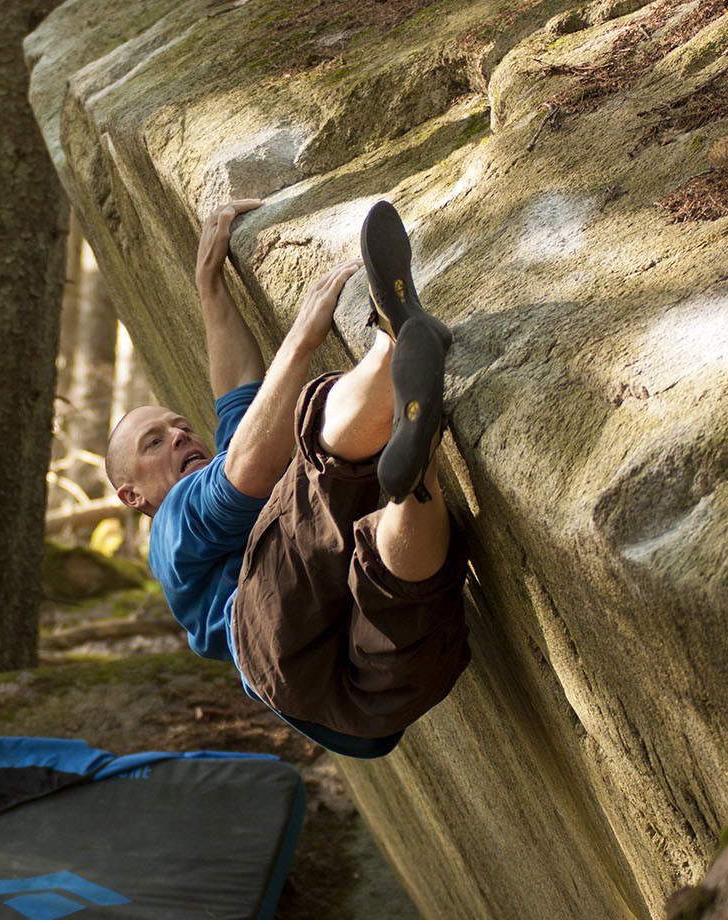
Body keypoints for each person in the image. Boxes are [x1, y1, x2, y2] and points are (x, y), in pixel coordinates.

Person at [105, 198, 470, 758]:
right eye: (154, 442)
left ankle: (417, 473)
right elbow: (245, 470)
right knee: (318, 453)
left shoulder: (216, 474)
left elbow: (240, 397)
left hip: (354, 716)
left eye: (180, 426)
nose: (178, 436)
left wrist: (210, 285)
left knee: (400, 581)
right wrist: (303, 333)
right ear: (133, 496)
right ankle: (394, 343)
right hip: (269, 633)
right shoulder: (173, 525)